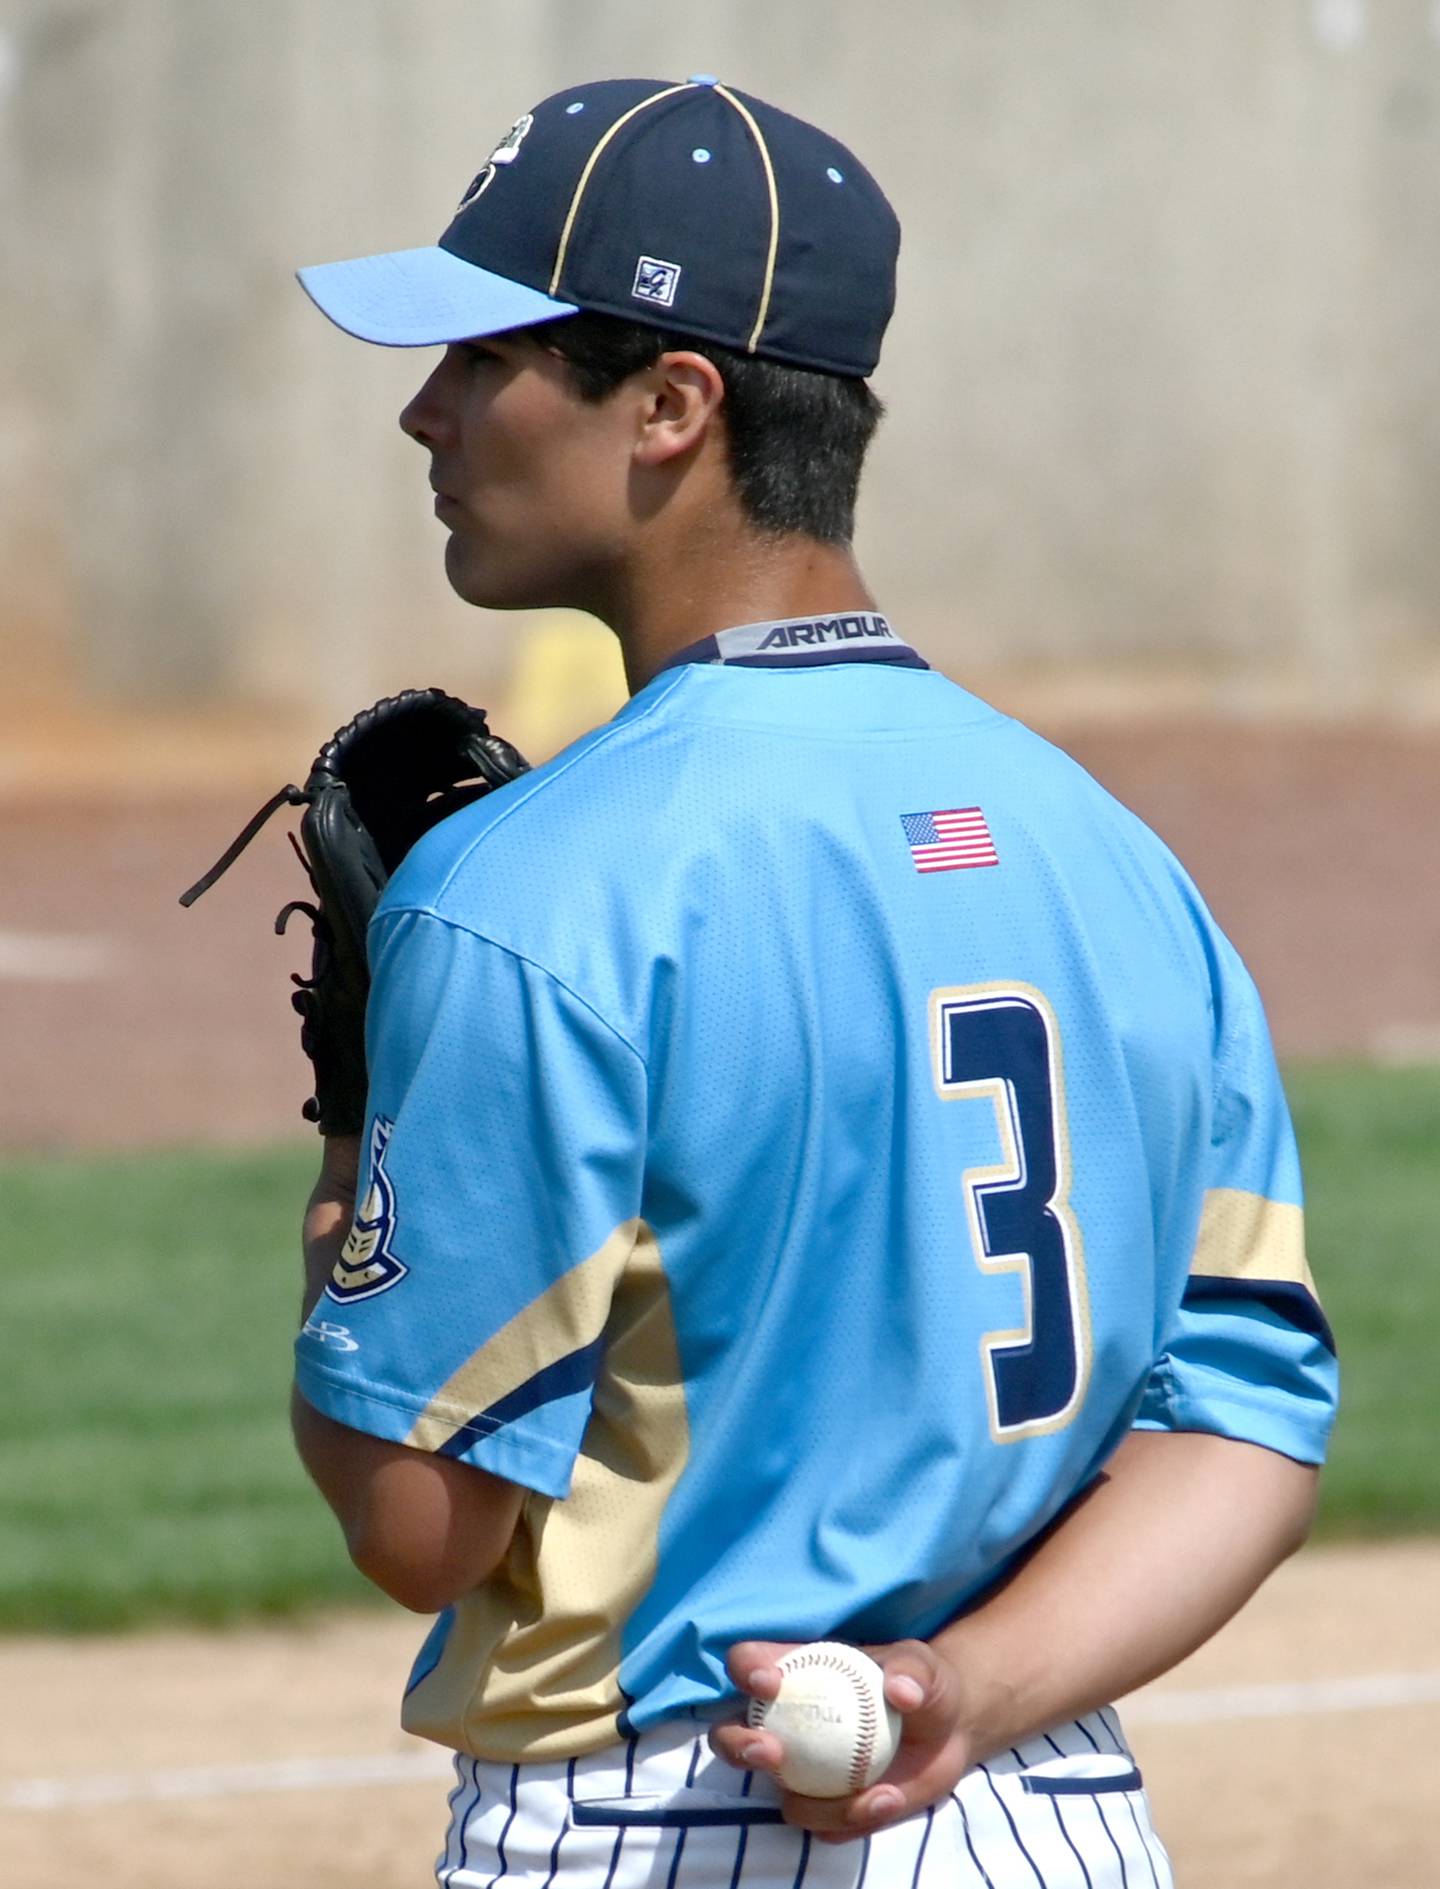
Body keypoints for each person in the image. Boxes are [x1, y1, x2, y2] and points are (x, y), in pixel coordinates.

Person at [288, 76, 1337, 1888]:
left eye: (483, 353)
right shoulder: (1109, 857)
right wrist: (968, 1685)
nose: (425, 407)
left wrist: (357, 1116)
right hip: (1043, 1813)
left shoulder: (528, 894)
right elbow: (1243, 1423)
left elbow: (418, 1519)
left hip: (644, 1830)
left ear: (672, 405)